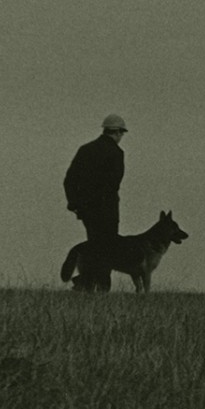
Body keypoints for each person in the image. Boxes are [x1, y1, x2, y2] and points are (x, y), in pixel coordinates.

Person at [63, 114, 127, 291]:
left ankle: (85, 284)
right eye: (121, 133)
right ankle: (99, 288)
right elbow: (114, 183)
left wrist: (74, 204)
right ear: (118, 132)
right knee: (107, 250)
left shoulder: (86, 150)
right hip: (107, 210)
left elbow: (69, 180)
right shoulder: (116, 153)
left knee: (94, 246)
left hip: (87, 210)